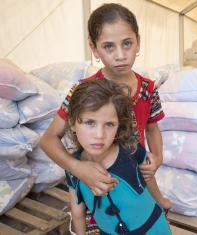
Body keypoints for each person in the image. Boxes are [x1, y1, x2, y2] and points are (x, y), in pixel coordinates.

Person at [40, 2, 171, 233]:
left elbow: (152, 128)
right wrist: (78, 168)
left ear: (138, 42)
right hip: (95, 177)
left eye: (127, 44)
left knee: (144, 221)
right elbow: (48, 138)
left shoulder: (148, 88)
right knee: (107, 224)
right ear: (93, 47)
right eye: (108, 46)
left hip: (134, 175)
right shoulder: (83, 92)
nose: (120, 55)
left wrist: (157, 158)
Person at [65, 79, 171, 235]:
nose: (99, 135)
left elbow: (149, 178)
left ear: (118, 125)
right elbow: (77, 212)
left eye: (109, 124)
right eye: (89, 123)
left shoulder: (131, 149)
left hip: (154, 228)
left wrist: (161, 201)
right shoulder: (73, 168)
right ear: (73, 123)